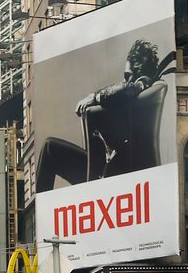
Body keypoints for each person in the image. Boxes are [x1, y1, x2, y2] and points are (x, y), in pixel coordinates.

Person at [37, 38, 164, 192]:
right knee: (50, 147)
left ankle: (40, 213)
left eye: (127, 75)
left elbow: (127, 89)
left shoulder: (141, 85)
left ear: (138, 69)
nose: (124, 80)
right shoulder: (146, 93)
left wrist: (94, 98)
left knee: (50, 148)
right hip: (113, 168)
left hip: (111, 173)